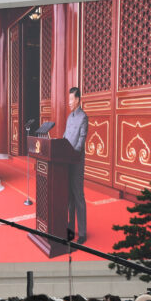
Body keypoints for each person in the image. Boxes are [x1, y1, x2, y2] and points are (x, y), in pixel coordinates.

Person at [63, 87, 88, 244]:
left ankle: (83, 233)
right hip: (66, 161)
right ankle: (71, 228)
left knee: (78, 196)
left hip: (76, 161)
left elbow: (81, 139)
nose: (69, 102)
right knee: (69, 198)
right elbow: (65, 136)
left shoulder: (83, 117)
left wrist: (73, 154)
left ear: (78, 99)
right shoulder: (69, 117)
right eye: (69, 99)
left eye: (72, 99)